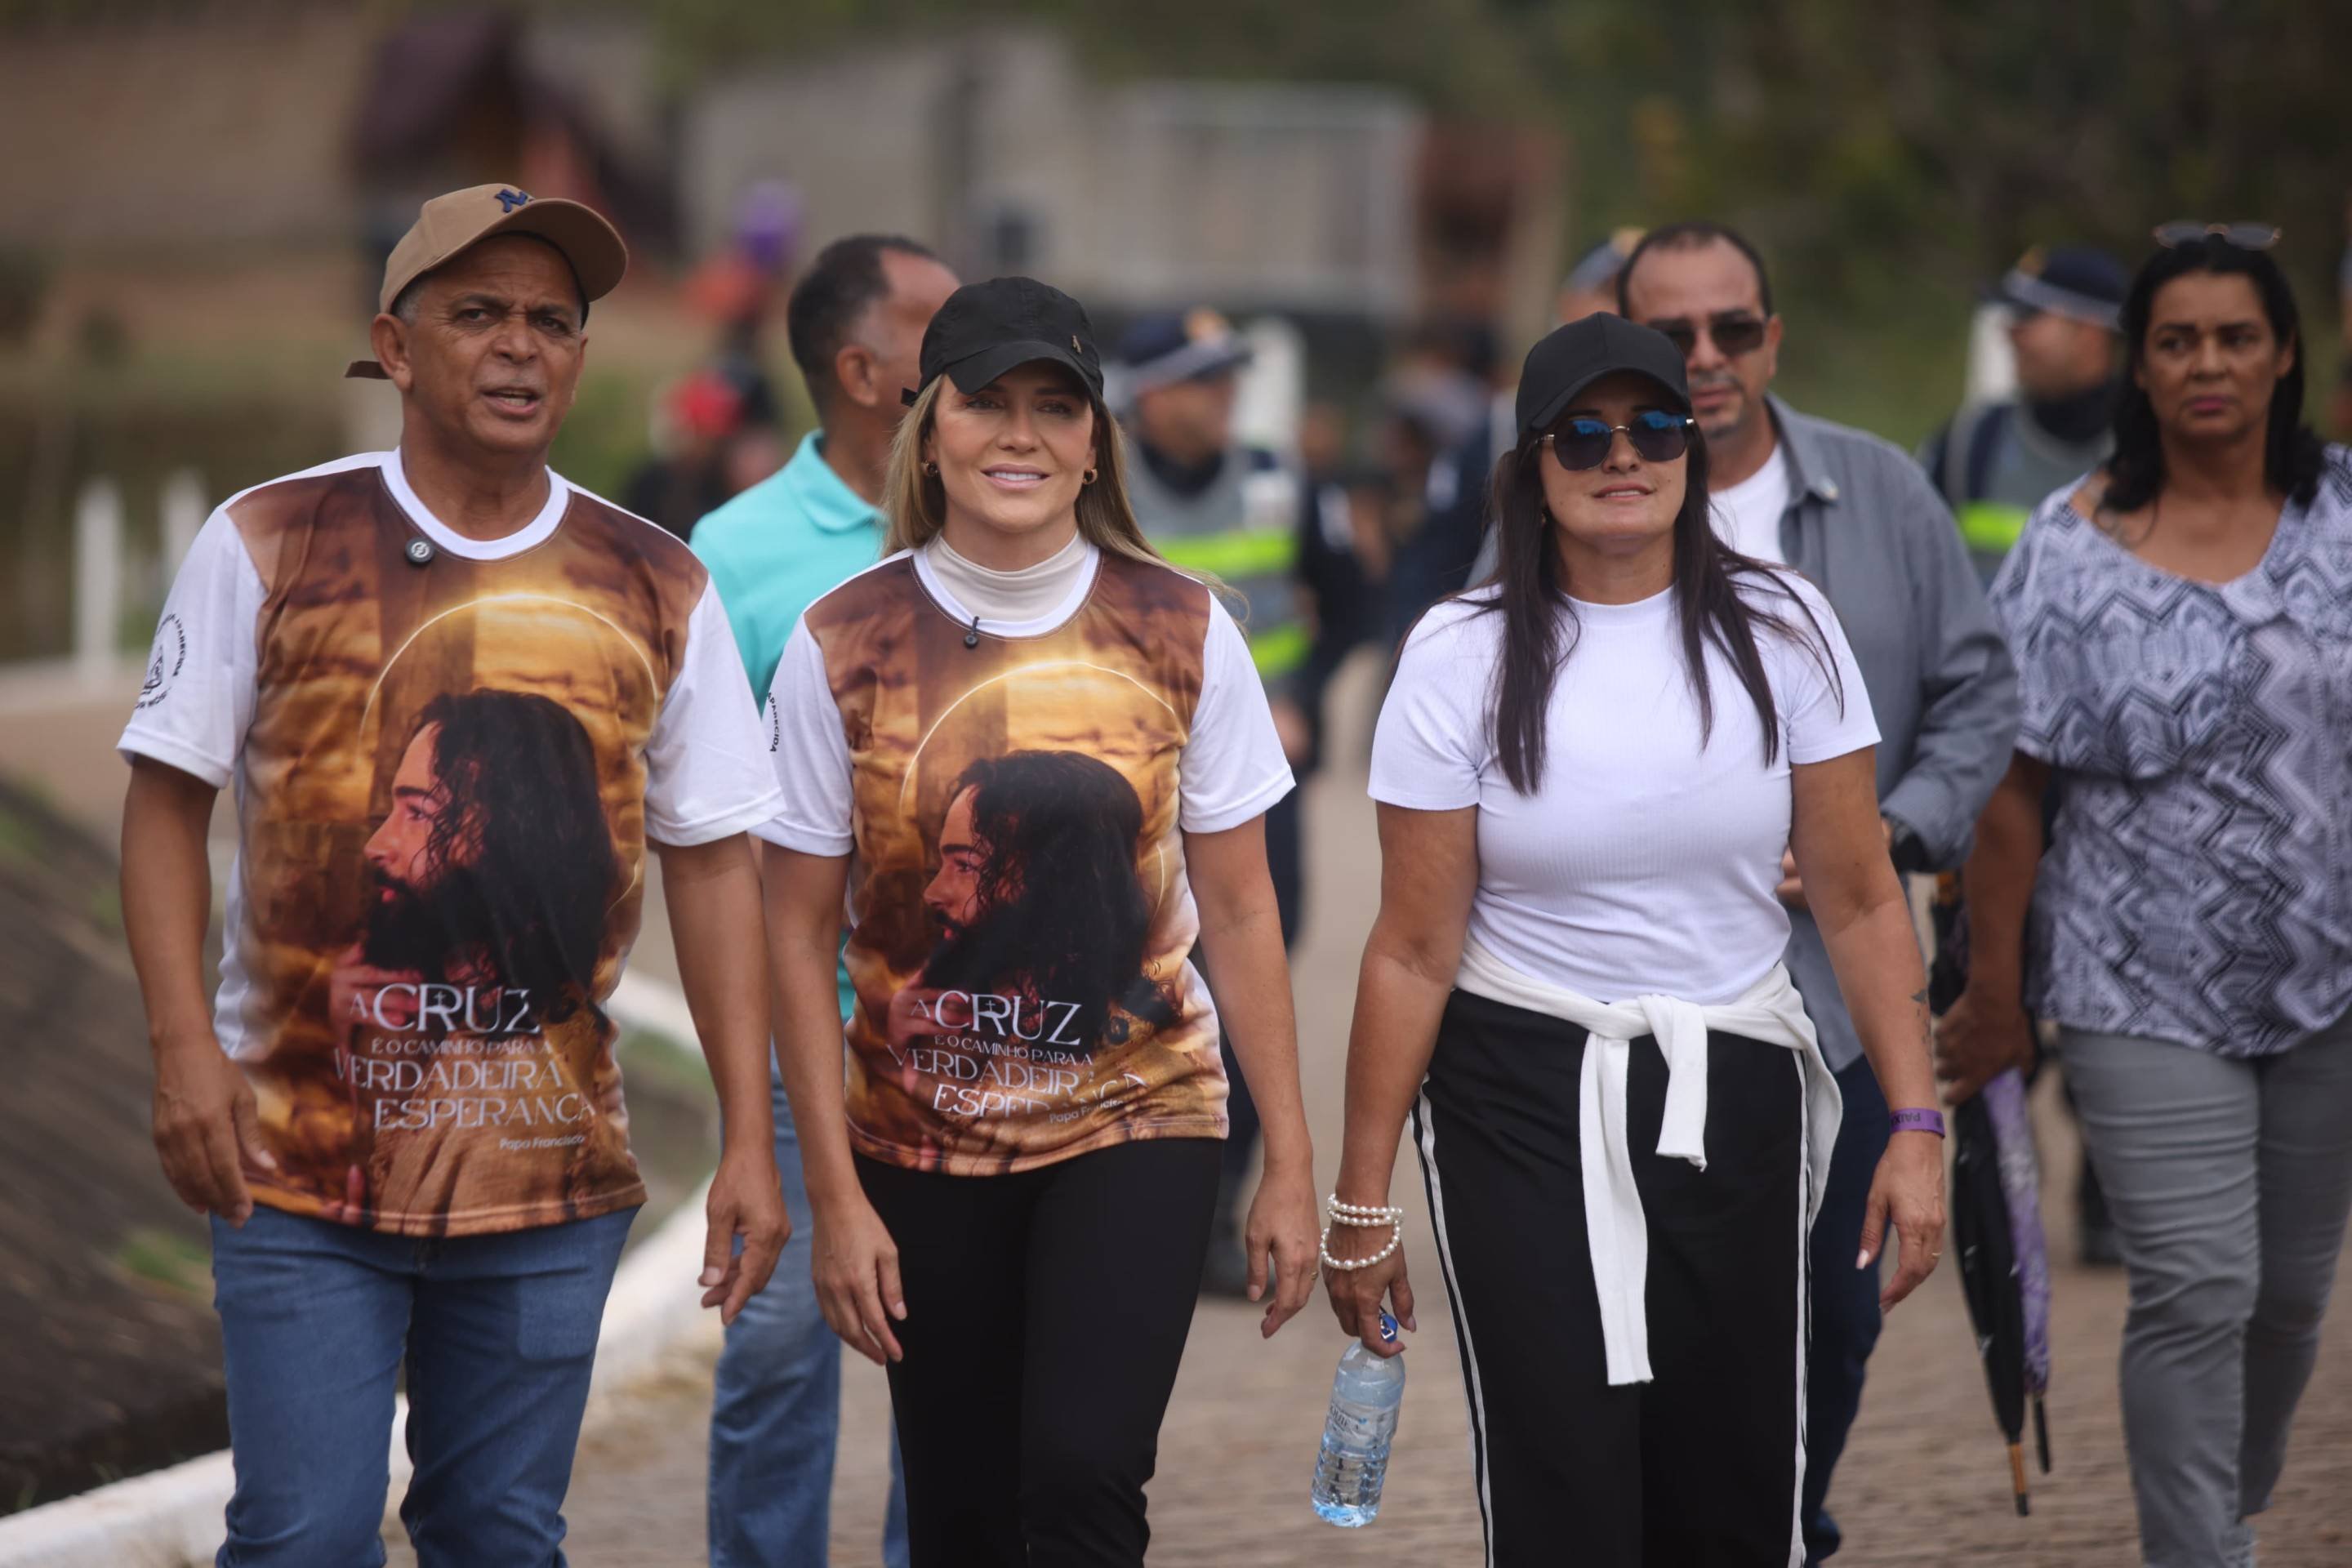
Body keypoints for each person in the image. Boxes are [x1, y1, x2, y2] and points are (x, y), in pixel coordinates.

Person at [117, 183, 788, 1565]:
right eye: (477, 312)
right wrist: (185, 1050)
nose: (519, 345)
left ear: (583, 359)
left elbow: (716, 864)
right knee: (301, 1536)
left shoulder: (657, 580)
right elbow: (166, 801)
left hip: (548, 1179)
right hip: (298, 1168)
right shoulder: (270, 540)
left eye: (552, 320)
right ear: (396, 343)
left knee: (498, 1534)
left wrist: (744, 1136)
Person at [1322, 313, 1948, 1566]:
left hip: (1737, 1078)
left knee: (1726, 1473)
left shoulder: (1787, 630)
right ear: (1533, 468)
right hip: (1519, 1089)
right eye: (1586, 434)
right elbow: (1409, 948)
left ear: (1694, 453)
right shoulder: (1459, 653)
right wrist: (1360, 1196)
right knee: (1566, 1467)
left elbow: (1864, 896)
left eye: (1656, 426)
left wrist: (1919, 1127)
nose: (1624, 456)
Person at [756, 276, 1321, 1566]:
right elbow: (793, 932)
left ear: (1093, 441)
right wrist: (834, 1198)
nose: (1020, 435)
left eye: (1054, 407)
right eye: (987, 403)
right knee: (959, 1509)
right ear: (929, 427)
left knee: (1080, 1478)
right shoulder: (840, 640)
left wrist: (1287, 1159)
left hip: (1141, 1118)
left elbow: (1240, 908)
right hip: (920, 1139)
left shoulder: (1184, 625)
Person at [1937, 225, 2352, 1568]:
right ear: (2142, 364)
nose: (2210, 364)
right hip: (2134, 981)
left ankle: (2218, 1510)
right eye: (2178, 341)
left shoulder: (2345, 520)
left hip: (2328, 982)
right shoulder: (2069, 552)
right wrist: (1994, 995)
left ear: (2286, 354)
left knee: (2288, 1300)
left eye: (2238, 337)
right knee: (2198, 1285)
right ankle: (2200, 1556)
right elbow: (2012, 794)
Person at [1615, 219, 2017, 1566]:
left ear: (1774, 337)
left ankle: (1781, 1519)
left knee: (1834, 1326)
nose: (1707, 360)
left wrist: (1895, 829)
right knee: (1665, 1335)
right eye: (1670, 337)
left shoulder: (1883, 493)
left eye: (1734, 329)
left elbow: (1978, 691)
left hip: (1843, 1007)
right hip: (1648, 1013)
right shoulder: (1576, 495)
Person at [693, 232, 957, 1568]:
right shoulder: (731, 559)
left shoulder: (1000, 524)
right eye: (944, 329)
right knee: (780, 1365)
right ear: (865, 369)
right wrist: (750, 1090)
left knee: (953, 1382)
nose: (980, 351)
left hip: (973, 1052)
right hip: (811, 1050)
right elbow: (707, 842)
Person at [1116, 306, 1315, 1294]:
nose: (1222, 397)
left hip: (1259, 781)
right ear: (1147, 395)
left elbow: (1341, 593)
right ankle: (1163, 1204)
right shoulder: (1100, 487)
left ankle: (1225, 1209)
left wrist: (1305, 702)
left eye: (1228, 376)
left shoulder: (1276, 479)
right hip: (1142, 791)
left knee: (1254, 973)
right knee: (1159, 976)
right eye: (1201, 380)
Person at [1921, 245, 2129, 584]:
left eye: (2029, 317)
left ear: (2089, 335)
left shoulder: (2156, 451)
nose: (2009, 333)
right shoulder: (1969, 442)